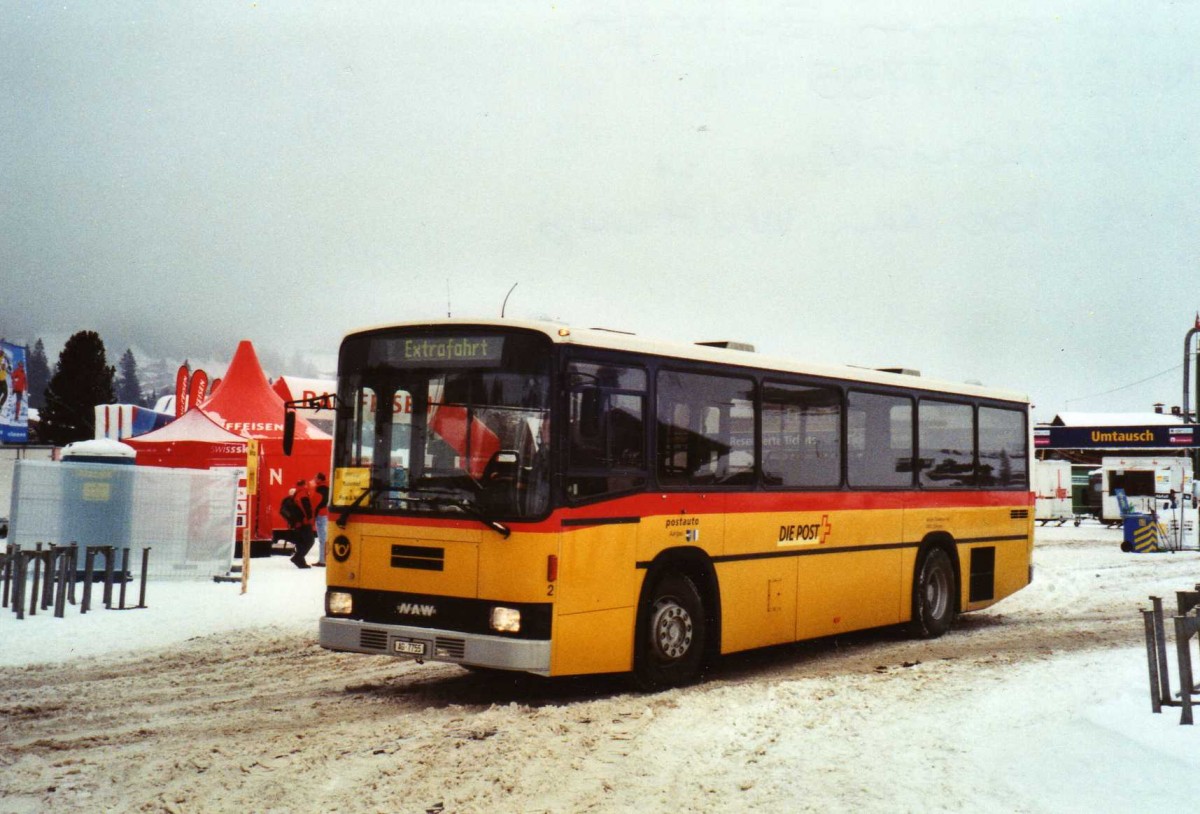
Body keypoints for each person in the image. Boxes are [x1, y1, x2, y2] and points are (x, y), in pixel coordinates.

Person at [290, 478, 316, 568]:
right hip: (304, 522)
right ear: (304, 485)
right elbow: (307, 508)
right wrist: (310, 519)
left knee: (301, 542)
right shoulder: (303, 494)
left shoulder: (296, 493)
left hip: (298, 522)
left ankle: (301, 561)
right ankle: (297, 558)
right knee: (310, 541)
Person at [313, 472, 330, 566]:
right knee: (324, 538)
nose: (314, 479)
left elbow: (317, 502)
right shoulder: (327, 487)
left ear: (320, 479)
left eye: (316, 478)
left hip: (321, 514)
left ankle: (323, 560)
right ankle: (324, 559)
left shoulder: (320, 489)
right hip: (326, 514)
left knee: (322, 539)